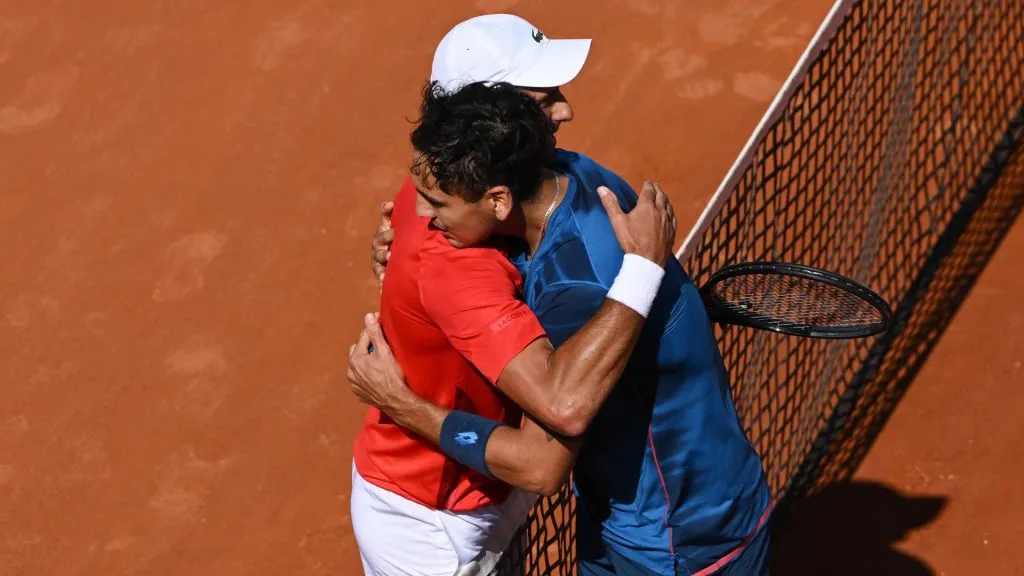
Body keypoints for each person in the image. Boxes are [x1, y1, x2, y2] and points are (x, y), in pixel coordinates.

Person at [348, 81, 773, 575]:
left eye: (438, 206)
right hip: (623, 512)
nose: (422, 216)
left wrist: (402, 405)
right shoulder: (572, 173)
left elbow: (551, 441)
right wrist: (392, 241)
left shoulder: (576, 287)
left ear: (498, 201)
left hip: (680, 537)